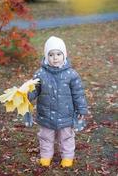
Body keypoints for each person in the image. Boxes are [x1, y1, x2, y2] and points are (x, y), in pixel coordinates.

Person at [26, 36, 88, 167]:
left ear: (64, 55)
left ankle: (67, 157)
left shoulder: (71, 74)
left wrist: (81, 109)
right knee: (45, 137)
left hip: (65, 114)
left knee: (66, 137)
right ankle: (46, 156)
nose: (55, 58)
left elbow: (78, 93)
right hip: (45, 114)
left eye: (58, 54)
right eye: (51, 54)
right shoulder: (40, 74)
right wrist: (26, 95)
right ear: (46, 56)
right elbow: (34, 89)